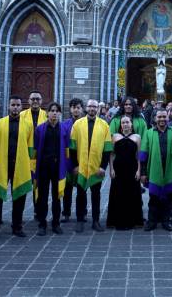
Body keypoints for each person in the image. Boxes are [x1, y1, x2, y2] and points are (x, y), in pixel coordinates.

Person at [0, 96, 35, 239]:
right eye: (13, 105)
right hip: (2, 164)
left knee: (20, 197)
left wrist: (31, 167)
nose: (15, 107)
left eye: (18, 105)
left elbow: (31, 147)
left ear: (22, 107)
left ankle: (17, 227)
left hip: (20, 165)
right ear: (8, 106)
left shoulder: (28, 124)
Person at [69, 99, 113, 233]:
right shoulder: (77, 124)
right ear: (86, 108)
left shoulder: (104, 125)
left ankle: (95, 221)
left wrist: (102, 167)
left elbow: (107, 148)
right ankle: (80, 220)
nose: (92, 109)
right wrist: (75, 166)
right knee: (80, 194)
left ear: (98, 109)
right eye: (90, 106)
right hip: (81, 166)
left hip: (96, 167)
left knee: (96, 195)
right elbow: (72, 147)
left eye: (95, 107)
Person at [33, 102, 68, 236]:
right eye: (52, 110)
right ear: (47, 113)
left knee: (56, 196)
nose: (54, 113)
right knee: (42, 196)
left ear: (59, 113)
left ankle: (56, 223)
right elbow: (35, 149)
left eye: (56, 111)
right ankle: (42, 224)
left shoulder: (64, 129)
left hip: (58, 167)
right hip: (43, 167)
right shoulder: (40, 129)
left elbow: (67, 150)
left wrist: (66, 166)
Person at [140, 109, 172, 231]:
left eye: (164, 117)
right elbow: (144, 153)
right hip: (154, 170)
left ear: (168, 118)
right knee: (153, 198)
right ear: (155, 118)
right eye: (159, 117)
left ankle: (166, 221)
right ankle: (152, 221)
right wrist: (144, 172)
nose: (162, 119)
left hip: (170, 170)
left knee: (169, 198)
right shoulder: (149, 133)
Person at [107, 116, 143, 230]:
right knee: (118, 193)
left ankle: (132, 220)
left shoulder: (137, 137)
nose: (125, 124)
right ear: (120, 125)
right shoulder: (115, 136)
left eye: (127, 122)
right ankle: (117, 220)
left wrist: (139, 170)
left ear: (131, 124)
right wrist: (111, 169)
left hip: (132, 169)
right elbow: (112, 154)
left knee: (132, 193)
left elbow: (139, 155)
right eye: (123, 123)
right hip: (118, 169)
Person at [21, 91, 47, 219]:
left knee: (40, 186)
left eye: (38, 99)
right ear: (29, 101)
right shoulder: (21, 115)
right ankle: (18, 212)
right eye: (33, 99)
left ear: (41, 101)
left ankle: (38, 211)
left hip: (41, 156)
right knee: (23, 184)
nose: (35, 101)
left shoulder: (46, 115)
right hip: (25, 156)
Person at [61, 98, 84, 223]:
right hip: (68, 161)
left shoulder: (85, 124)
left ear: (82, 109)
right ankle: (66, 213)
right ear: (70, 109)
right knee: (67, 190)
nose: (76, 109)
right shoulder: (64, 125)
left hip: (82, 161)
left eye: (78, 107)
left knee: (82, 190)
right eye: (74, 107)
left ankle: (82, 213)